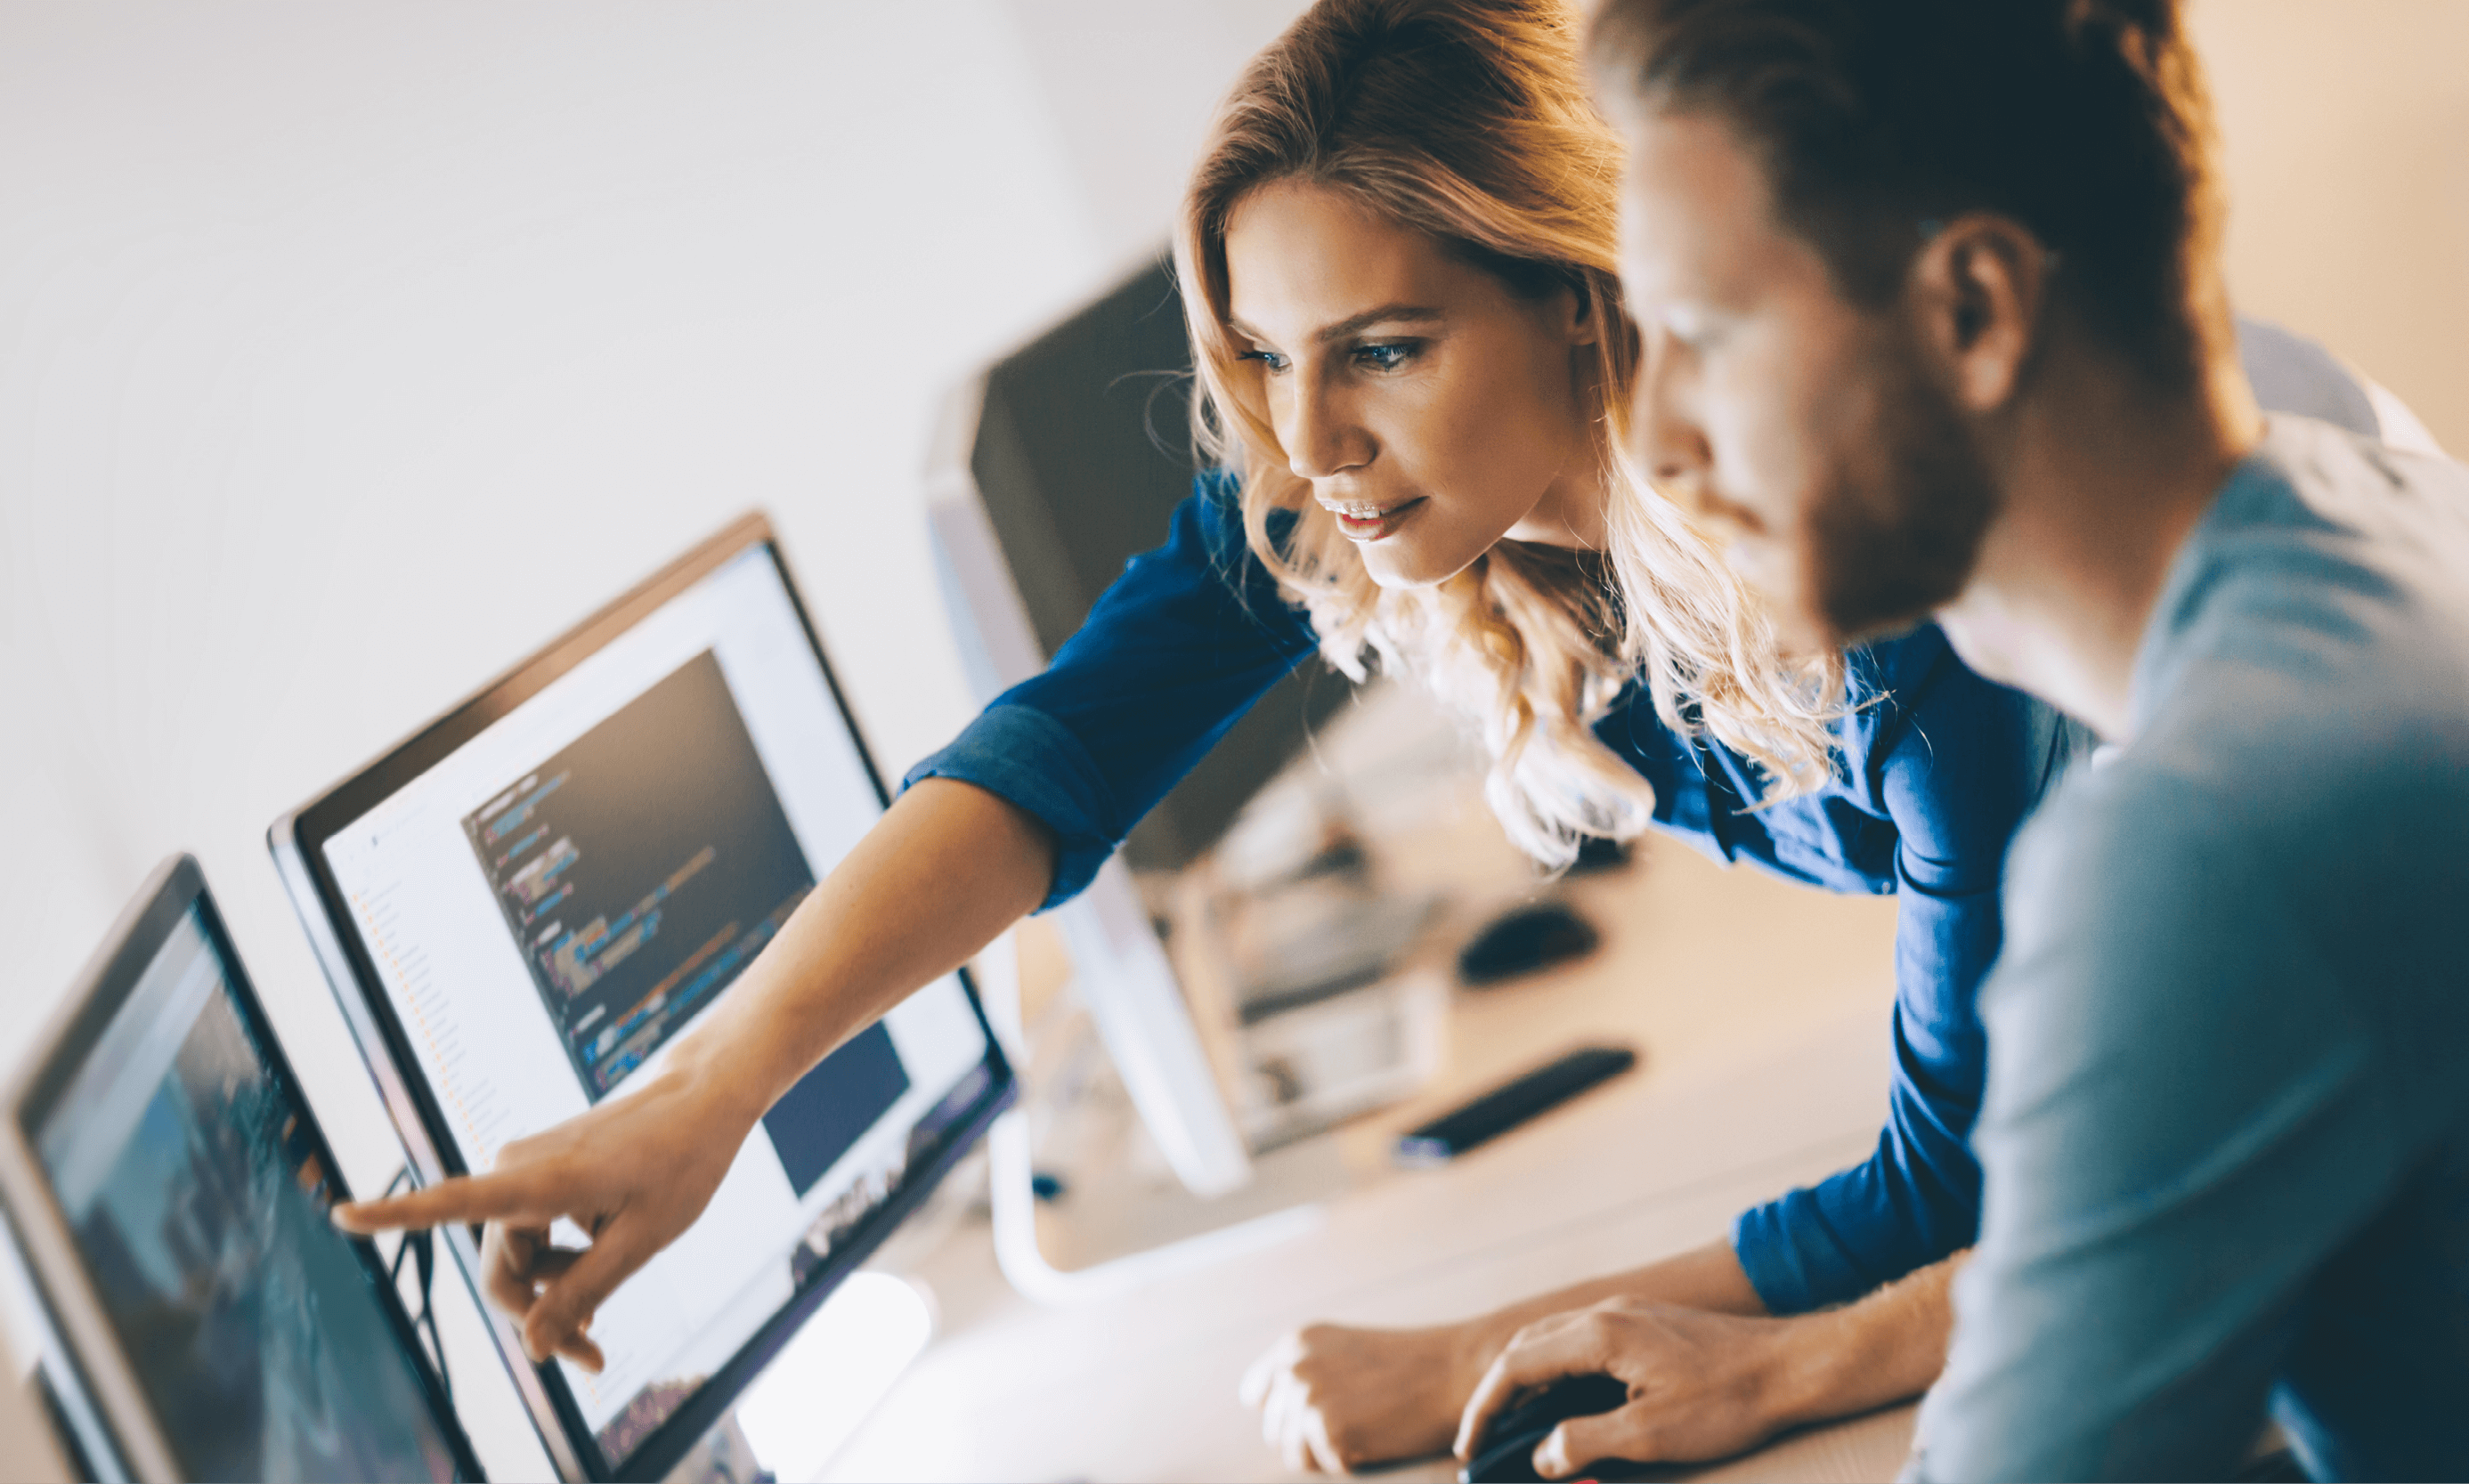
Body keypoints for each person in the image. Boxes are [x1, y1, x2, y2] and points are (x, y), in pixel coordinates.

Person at [335, 2, 2432, 1475]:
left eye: (1384, 352)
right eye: (1260, 361)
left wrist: (1524, 1366)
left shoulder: (1951, 578)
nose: (1307, 445)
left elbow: (2002, 1179)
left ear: (1592, 298)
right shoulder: (1453, 481)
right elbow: (1060, 747)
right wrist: (710, 1089)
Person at [1449, 0, 2468, 1479]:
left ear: (1974, 309)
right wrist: (1799, 1364)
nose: (1650, 438)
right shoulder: (2377, 514)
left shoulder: (2203, 844)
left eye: (1705, 336)